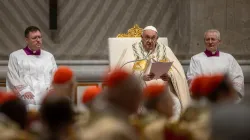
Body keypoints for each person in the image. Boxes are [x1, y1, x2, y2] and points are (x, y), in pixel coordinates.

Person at [118, 25, 191, 116]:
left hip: (163, 91)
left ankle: (168, 128)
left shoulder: (165, 50)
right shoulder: (132, 50)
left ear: (157, 38)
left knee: (176, 103)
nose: (150, 41)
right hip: (141, 91)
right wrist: (141, 76)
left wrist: (169, 76)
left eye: (153, 38)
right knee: (141, 106)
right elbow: (125, 72)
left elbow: (178, 72)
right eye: (147, 37)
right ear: (142, 37)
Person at [79, 69, 141, 140]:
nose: (140, 99)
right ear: (124, 94)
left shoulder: (97, 123)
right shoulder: (117, 131)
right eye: (136, 93)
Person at [6, 26, 57, 109]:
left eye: (39, 37)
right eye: (34, 38)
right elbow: (13, 76)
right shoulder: (15, 56)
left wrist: (51, 90)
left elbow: (55, 75)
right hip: (26, 95)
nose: (38, 40)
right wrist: (24, 91)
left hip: (46, 94)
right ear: (27, 40)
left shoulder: (49, 56)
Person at [187, 29, 244, 100]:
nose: (210, 42)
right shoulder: (196, 59)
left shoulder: (229, 58)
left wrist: (229, 92)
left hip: (225, 98)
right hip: (205, 97)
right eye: (207, 39)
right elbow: (192, 79)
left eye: (213, 39)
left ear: (219, 41)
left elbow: (237, 77)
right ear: (204, 41)